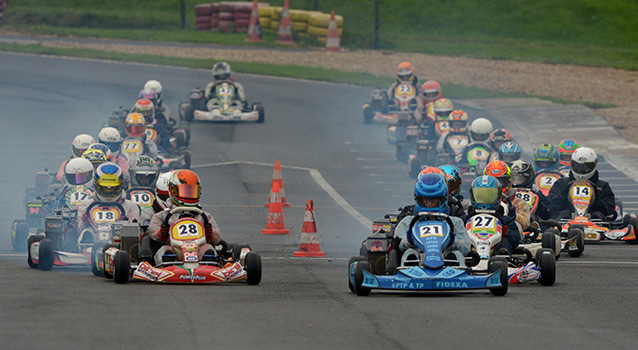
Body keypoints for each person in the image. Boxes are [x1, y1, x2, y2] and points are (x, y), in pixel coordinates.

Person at [143, 170, 222, 265]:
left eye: (192, 191)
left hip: (198, 250)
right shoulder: (162, 215)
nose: (188, 195)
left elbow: (217, 239)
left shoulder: (204, 216)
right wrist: (161, 233)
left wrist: (210, 234)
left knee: (208, 248)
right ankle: (168, 265)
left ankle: (209, 265)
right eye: (184, 191)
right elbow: (152, 233)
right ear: (172, 191)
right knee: (165, 250)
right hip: (173, 249)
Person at [394, 173, 471, 257]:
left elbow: (466, 248)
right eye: (425, 199)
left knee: (457, 255)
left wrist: (452, 243)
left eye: (434, 199)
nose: (429, 204)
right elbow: (397, 246)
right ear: (419, 199)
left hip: (446, 263)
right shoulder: (408, 222)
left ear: (443, 199)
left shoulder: (455, 222)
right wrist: (410, 241)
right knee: (409, 253)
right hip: (417, 263)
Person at [547, 147, 616, 221]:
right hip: (565, 223)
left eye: (586, 167)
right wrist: (566, 196)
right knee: (564, 214)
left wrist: (594, 201)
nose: (582, 170)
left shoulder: (602, 186)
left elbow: (610, 209)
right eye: (578, 166)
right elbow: (551, 205)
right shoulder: (562, 184)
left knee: (597, 215)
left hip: (595, 223)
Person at [76, 162, 140, 232]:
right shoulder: (86, 205)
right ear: (95, 184)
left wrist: (126, 223)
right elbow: (79, 230)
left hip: (120, 240)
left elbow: (133, 232)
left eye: (113, 188)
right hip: (91, 240)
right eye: (104, 187)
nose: (108, 191)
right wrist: (84, 223)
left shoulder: (130, 206)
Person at [465, 175, 521, 254]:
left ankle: (502, 255)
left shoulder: (505, 220)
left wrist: (505, 233)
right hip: (472, 254)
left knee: (505, 241)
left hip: (497, 256)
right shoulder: (465, 219)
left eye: (489, 196)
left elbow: (516, 239)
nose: (484, 199)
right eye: (480, 196)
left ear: (498, 196)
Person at [484, 160, 530, 237]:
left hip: (507, 235)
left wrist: (513, 215)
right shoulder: (482, 201)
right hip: (484, 232)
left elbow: (526, 223)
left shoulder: (518, 202)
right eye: (493, 182)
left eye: (500, 182)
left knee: (517, 226)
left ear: (507, 182)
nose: (497, 185)